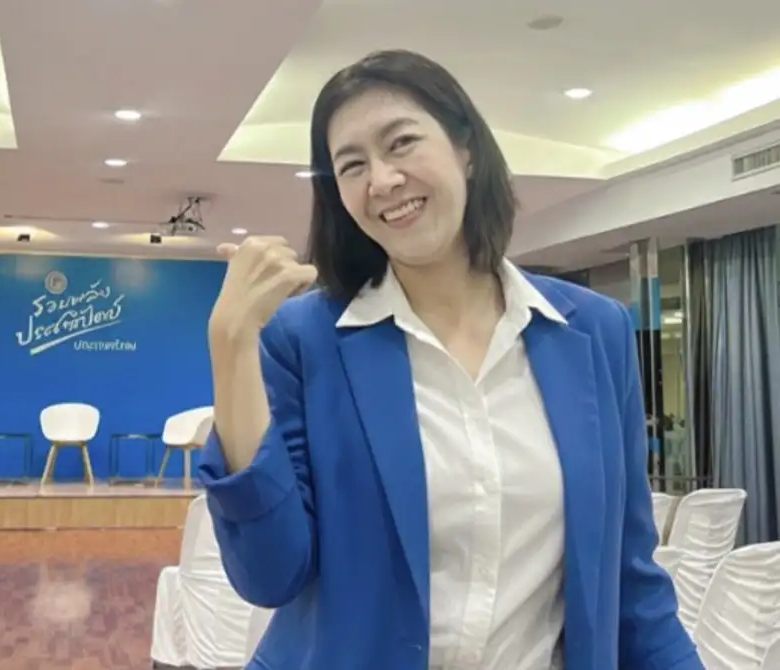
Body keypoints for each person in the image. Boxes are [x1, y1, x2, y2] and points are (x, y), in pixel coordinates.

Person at [199, 49, 703, 670]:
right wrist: (231, 343)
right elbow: (269, 572)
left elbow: (631, 584)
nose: (382, 180)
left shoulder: (594, 332)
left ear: (466, 148)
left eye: (401, 143)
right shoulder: (304, 340)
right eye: (352, 165)